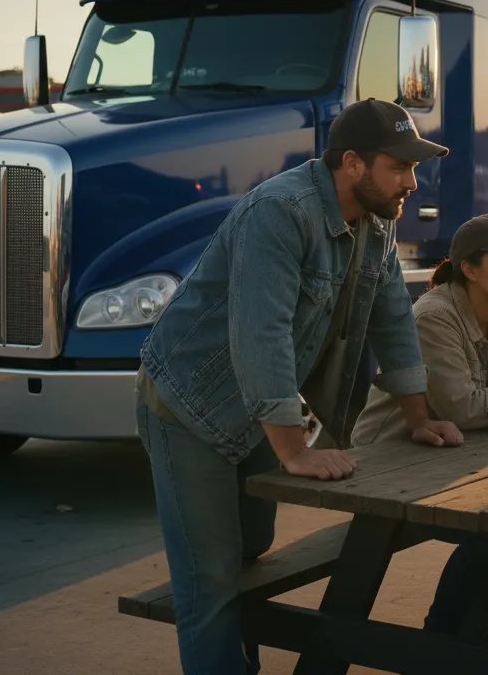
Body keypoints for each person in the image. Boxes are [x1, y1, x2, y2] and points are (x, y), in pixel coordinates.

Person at [135, 98, 464, 675]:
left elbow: (392, 317)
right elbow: (260, 333)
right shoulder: (279, 212)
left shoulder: (378, 222)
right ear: (354, 164)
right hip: (190, 405)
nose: (413, 182)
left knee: (249, 548)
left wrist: (418, 415)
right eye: (400, 166)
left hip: (260, 405)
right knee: (208, 577)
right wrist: (293, 449)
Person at [352, 213, 488, 643]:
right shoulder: (434, 316)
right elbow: (465, 406)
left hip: (451, 455)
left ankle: (486, 636)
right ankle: (445, 643)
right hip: (387, 464)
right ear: (469, 268)